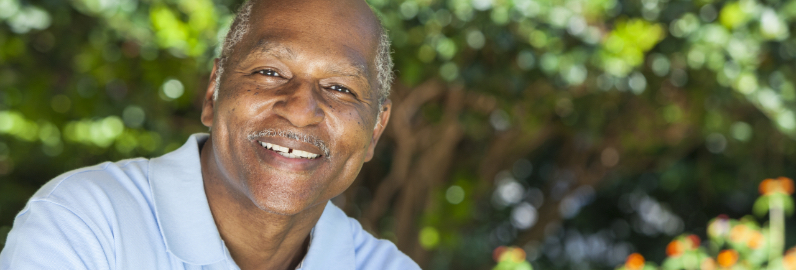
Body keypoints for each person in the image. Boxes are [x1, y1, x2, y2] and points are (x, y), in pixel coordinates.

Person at [0, 0, 420, 269]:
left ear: (376, 130)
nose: (300, 109)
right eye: (270, 72)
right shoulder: (86, 223)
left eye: (341, 88)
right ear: (212, 92)